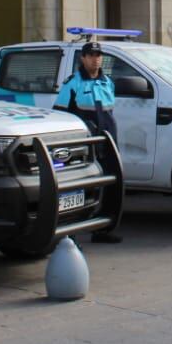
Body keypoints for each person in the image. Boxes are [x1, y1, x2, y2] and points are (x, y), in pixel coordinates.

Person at [54, 42, 123, 243]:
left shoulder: (107, 82)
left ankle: (104, 230)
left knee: (110, 184)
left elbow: (109, 113)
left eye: (98, 55)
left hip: (108, 142)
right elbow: (61, 115)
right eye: (91, 55)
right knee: (80, 187)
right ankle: (70, 236)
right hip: (84, 145)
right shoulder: (73, 83)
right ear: (82, 58)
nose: (96, 59)